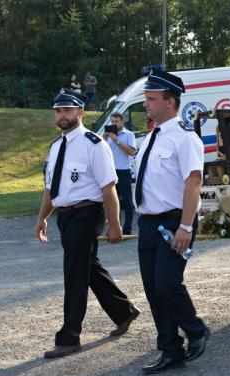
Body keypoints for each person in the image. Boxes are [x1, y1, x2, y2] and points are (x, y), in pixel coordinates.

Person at [35, 89, 140, 358]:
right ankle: (124, 311)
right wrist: (42, 217)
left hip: (87, 214)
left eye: (67, 110)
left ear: (80, 112)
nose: (62, 115)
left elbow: (108, 188)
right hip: (65, 217)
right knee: (87, 267)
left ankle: (69, 336)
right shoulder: (56, 146)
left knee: (75, 274)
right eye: (58, 111)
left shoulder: (94, 144)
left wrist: (115, 225)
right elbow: (50, 188)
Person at [134, 70, 208, 373]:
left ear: (170, 101)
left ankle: (196, 330)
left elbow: (194, 182)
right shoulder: (151, 136)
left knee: (167, 283)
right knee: (153, 287)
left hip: (174, 221)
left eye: (151, 99)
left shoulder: (185, 137)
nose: (146, 104)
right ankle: (170, 348)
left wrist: (186, 226)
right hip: (148, 223)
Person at [103, 112, 136, 235]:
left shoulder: (129, 134)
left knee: (127, 202)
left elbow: (131, 152)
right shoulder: (108, 136)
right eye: (112, 121)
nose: (114, 124)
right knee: (111, 202)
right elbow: (100, 153)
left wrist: (116, 141)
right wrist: (104, 140)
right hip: (110, 172)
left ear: (122, 122)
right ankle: (115, 228)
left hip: (123, 171)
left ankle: (127, 229)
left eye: (116, 121)